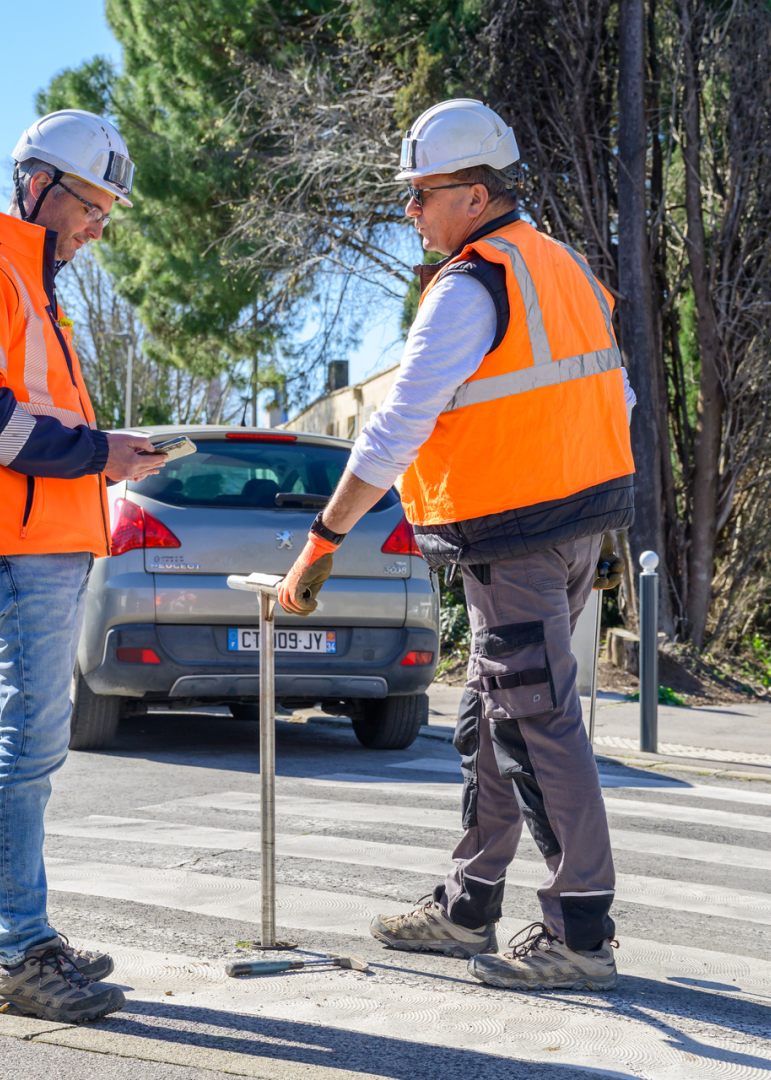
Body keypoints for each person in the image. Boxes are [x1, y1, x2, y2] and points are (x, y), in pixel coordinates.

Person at [277, 99, 635, 991]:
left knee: (532, 722)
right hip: (571, 527)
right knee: (489, 718)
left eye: (421, 194)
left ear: (473, 195)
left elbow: (397, 425)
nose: (409, 212)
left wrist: (323, 540)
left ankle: (581, 932)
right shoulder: (563, 268)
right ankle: (470, 906)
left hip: (518, 537)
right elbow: (615, 402)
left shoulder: (472, 284)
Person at [0, 110, 164, 1022]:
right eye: (95, 206)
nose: (101, 225)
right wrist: (99, 453)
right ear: (42, 189)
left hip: (41, 544)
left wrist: (105, 453)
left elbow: (13, 418)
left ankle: (8, 933)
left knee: (16, 750)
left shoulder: (28, 284)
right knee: (29, 749)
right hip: (20, 547)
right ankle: (22, 951)